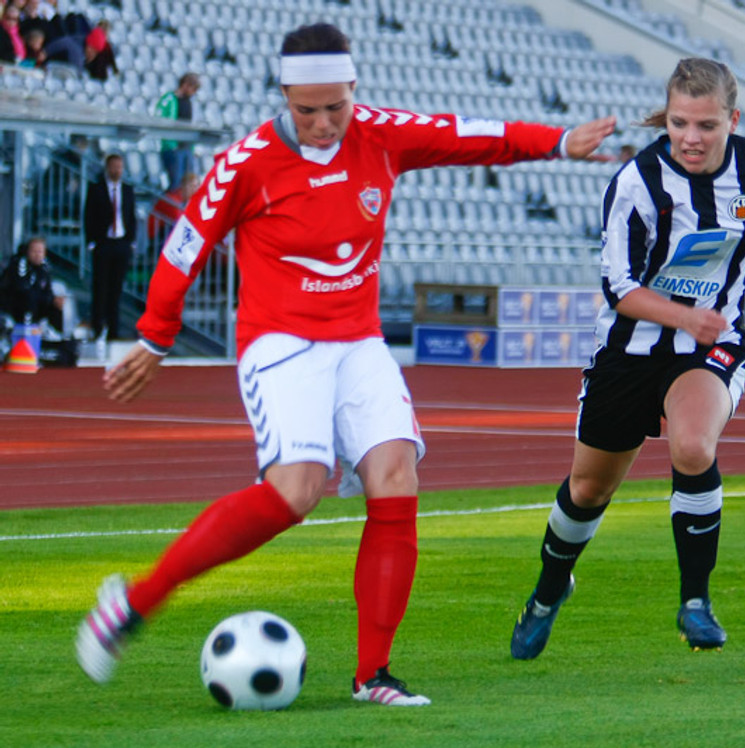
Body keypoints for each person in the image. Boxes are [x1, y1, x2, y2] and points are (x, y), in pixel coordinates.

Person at [74, 21, 617, 706]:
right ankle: (135, 602)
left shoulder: (380, 135)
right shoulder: (245, 163)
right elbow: (186, 244)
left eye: (337, 105)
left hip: (359, 341)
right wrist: (155, 336)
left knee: (397, 476)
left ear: (354, 88)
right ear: (284, 96)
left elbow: (466, 135)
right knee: (296, 492)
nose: (325, 122)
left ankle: (373, 675)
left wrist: (557, 142)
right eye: (309, 110)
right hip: (281, 343)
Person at [509, 57, 745, 661]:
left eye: (706, 125)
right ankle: (549, 592)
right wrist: (682, 317)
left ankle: (696, 602)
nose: (691, 138)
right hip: (630, 351)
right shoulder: (637, 182)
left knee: (694, 446)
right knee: (588, 489)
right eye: (680, 123)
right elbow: (619, 288)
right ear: (668, 119)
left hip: (713, 343)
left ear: (733, 120)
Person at [83, 152, 136, 341]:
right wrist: (91, 241)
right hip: (103, 243)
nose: (116, 170)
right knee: (100, 287)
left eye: (119, 167)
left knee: (116, 288)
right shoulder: (96, 188)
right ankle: (97, 327)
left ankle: (113, 330)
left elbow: (131, 216)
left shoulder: (128, 190)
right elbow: (89, 215)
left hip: (121, 243)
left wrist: (131, 240)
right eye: (114, 167)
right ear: (107, 168)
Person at [0, 236, 64, 332]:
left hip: (36, 303)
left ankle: (56, 332)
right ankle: (26, 330)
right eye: (34, 251)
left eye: (40, 252)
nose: (37, 255)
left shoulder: (44, 267)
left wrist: (53, 300)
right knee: (29, 296)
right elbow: (21, 287)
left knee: (58, 303)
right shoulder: (20, 264)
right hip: (15, 304)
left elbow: (47, 289)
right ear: (28, 252)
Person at [154, 72, 201, 189]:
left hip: (187, 148)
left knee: (188, 184)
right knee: (176, 183)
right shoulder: (169, 99)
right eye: (193, 89)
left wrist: (192, 148)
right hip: (173, 149)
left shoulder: (189, 102)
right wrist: (171, 144)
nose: (194, 93)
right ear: (185, 85)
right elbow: (160, 120)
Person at [146, 171, 199, 248]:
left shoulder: (184, 201)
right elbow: (179, 220)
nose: (194, 190)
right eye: (192, 186)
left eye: (196, 186)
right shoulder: (171, 200)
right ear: (183, 186)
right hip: (157, 237)